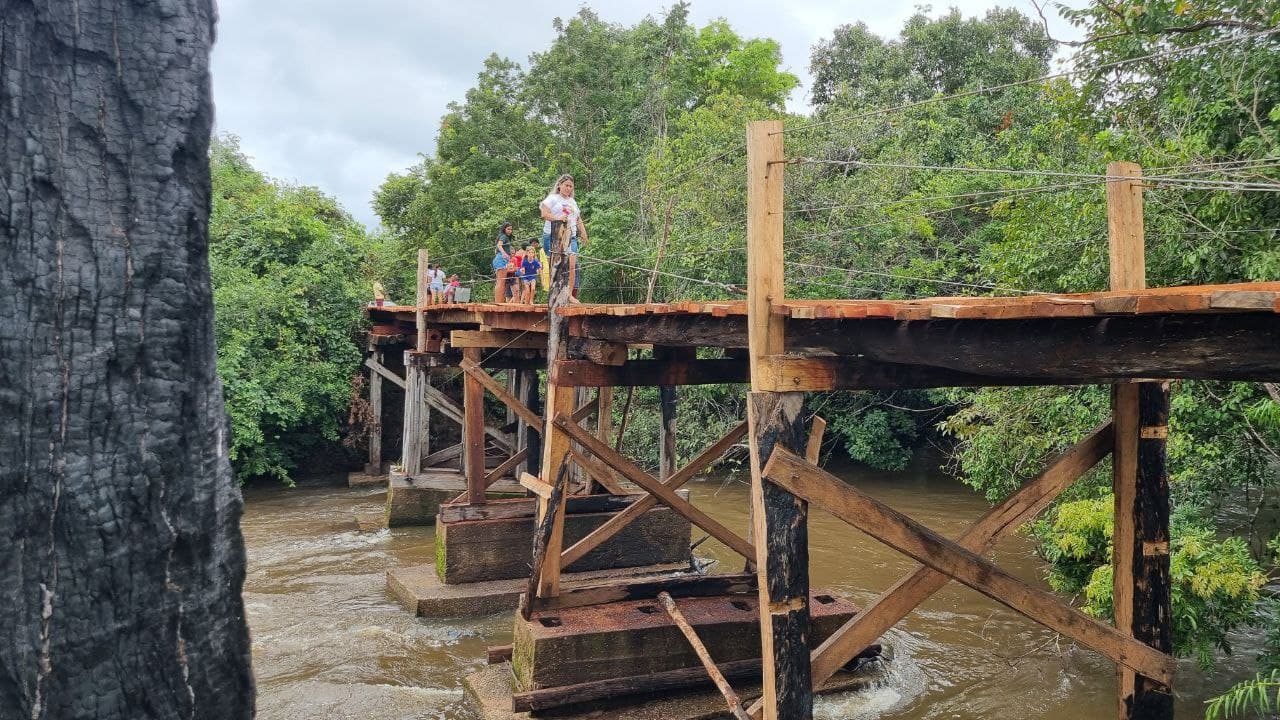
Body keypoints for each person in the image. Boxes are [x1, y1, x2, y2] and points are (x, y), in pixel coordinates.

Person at [539, 173, 588, 302]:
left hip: (570, 236)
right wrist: (558, 218)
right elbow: (544, 214)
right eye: (566, 185)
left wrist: (583, 232)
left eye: (571, 186)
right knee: (556, 266)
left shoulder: (572, 201)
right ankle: (555, 293)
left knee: (572, 265)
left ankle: (569, 294)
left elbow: (578, 218)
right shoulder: (552, 198)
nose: (568, 188)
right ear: (559, 185)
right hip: (553, 235)